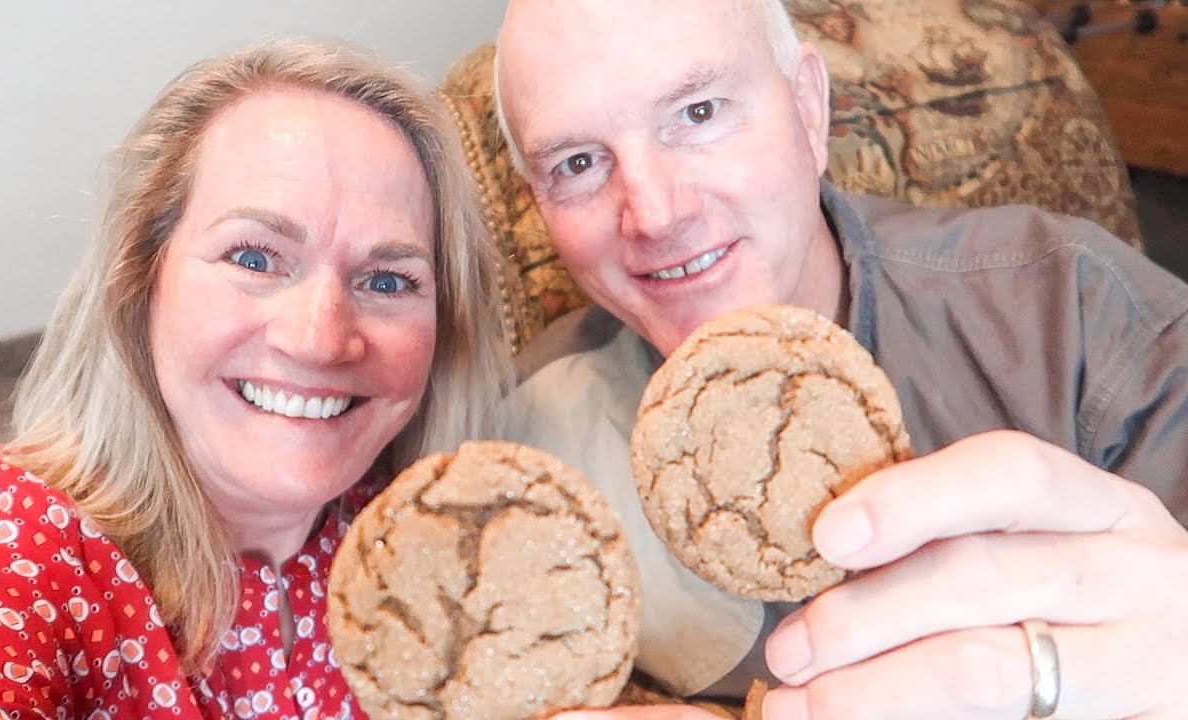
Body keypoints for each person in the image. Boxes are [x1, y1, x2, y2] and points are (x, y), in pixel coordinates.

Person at [492, 1, 1188, 718]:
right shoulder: (519, 450)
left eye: (698, 113)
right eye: (577, 163)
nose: (655, 214)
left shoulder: (1079, 315)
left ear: (808, 108)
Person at [0, 37, 512, 719]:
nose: (318, 341)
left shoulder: (447, 548)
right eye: (254, 258)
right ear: (142, 282)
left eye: (387, 280)